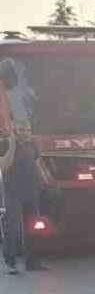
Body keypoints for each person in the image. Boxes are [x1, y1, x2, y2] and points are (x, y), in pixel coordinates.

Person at [1, 57, 43, 274]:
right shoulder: (6, 144)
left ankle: (33, 262)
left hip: (30, 192)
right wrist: (11, 145)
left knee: (34, 228)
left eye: (27, 130)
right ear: (15, 130)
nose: (24, 133)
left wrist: (45, 182)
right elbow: (5, 166)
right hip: (13, 194)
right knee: (14, 229)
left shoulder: (32, 145)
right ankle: (10, 262)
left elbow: (38, 164)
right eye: (21, 130)